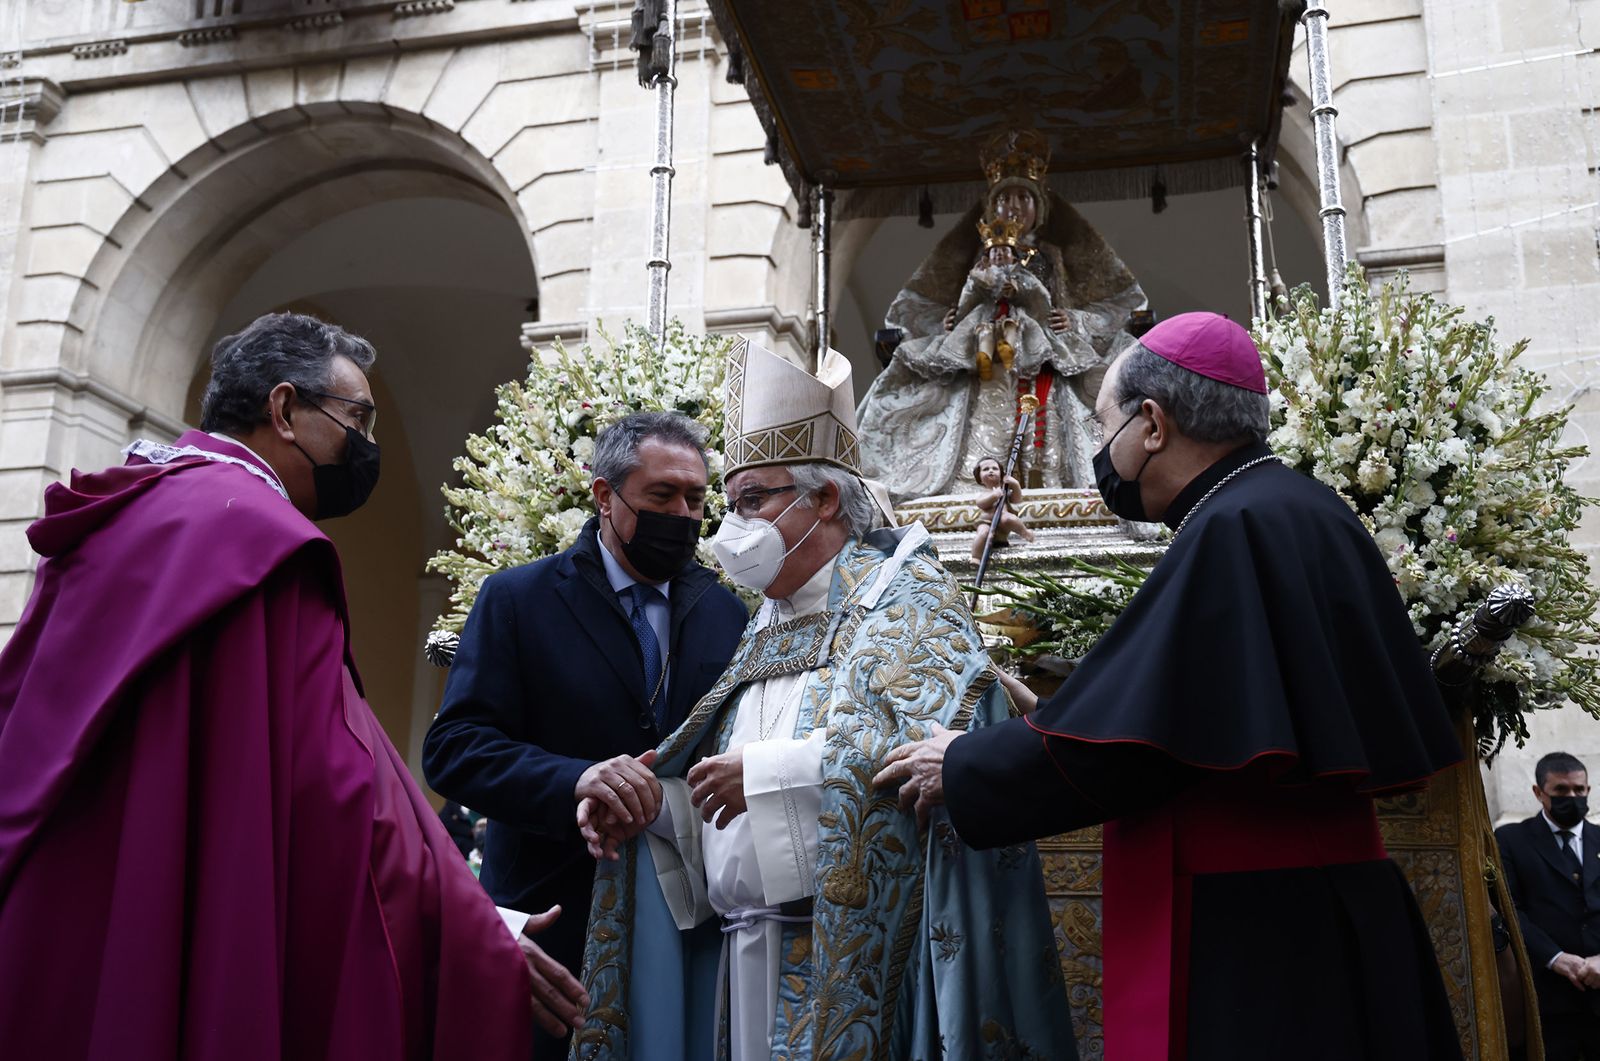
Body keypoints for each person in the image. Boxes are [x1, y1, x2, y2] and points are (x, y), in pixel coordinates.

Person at [876, 311, 1466, 1060]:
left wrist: (959, 764)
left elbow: (1134, 754)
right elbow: (1201, 713)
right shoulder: (1297, 507)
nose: (1098, 451)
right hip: (1333, 905)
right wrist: (1057, 716)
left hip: (1256, 936)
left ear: (1152, 424)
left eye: (1102, 426)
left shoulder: (1232, 527)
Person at [0, 312, 587, 1060]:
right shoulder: (266, 545)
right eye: (358, 419)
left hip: (71, 934)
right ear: (284, 409)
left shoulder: (114, 519)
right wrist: (477, 926)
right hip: (202, 940)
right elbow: (344, 785)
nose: (367, 447)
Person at [570, 338, 1076, 1061]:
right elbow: (719, 795)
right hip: (742, 949)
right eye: (733, 502)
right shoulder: (766, 622)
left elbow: (931, 759)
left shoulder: (903, 597)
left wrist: (768, 775)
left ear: (825, 498)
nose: (731, 528)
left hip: (842, 953)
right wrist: (653, 809)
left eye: (752, 500)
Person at [422, 410, 748, 1058]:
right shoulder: (520, 597)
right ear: (605, 495)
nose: (682, 515)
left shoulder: (725, 611)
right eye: (662, 496)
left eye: (695, 499)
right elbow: (455, 746)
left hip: (688, 926)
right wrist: (574, 776)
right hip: (557, 924)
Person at [857, 126, 1146, 501]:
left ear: (1038, 210)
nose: (1013, 206)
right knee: (979, 406)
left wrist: (1075, 320)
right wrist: (946, 321)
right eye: (1005, 198)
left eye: (1024, 198)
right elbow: (928, 304)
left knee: (1051, 411)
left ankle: (1048, 484)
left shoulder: (1051, 254)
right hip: (983, 350)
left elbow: (1102, 303)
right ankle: (974, 483)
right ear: (991, 208)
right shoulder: (977, 255)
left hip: (1042, 349)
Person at [1496, 751, 1600, 1060]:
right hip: (1546, 993)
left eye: (1579, 790)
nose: (1572, 797)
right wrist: (1555, 958)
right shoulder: (1511, 840)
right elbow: (1509, 909)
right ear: (1539, 793)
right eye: (1561, 791)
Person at [969, 454, 1033, 560]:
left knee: (1009, 518)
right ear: (979, 478)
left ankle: (1025, 532)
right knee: (982, 533)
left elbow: (1016, 499)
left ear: (1002, 474)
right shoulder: (985, 493)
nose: (991, 471)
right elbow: (980, 503)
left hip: (1003, 523)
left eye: (994, 468)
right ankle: (976, 557)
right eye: (986, 469)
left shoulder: (1005, 492)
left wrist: (1015, 485)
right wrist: (994, 496)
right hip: (987, 523)